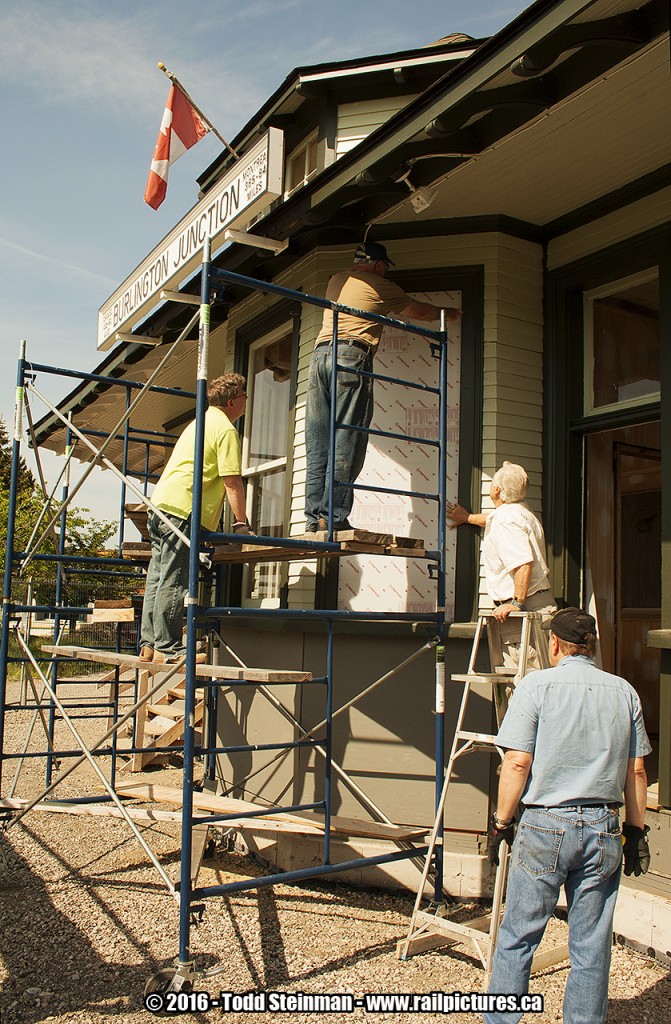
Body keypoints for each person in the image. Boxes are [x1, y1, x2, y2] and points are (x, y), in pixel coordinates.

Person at [484, 607, 651, 1024]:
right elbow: (636, 772)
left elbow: (517, 762)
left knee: (518, 936)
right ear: (591, 645)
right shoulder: (624, 691)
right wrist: (637, 831)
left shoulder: (535, 686)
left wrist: (502, 822)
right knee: (591, 945)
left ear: (555, 643)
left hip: (545, 824)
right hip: (604, 827)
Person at [304, 241, 462, 532]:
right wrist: (447, 312)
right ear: (378, 265)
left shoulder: (336, 280)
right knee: (347, 438)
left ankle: (314, 519)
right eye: (385, 267)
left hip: (319, 357)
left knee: (318, 443)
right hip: (350, 356)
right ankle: (333, 517)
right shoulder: (380, 285)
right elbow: (418, 311)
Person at [139, 373, 251, 664]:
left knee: (158, 576)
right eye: (244, 396)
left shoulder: (199, 422)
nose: (246, 401)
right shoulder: (225, 429)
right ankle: (168, 648)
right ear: (232, 402)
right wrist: (241, 523)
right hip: (184, 510)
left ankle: (149, 644)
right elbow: (232, 482)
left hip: (161, 504)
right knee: (175, 580)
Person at [448, 461, 555, 668]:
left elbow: (523, 563)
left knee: (527, 676)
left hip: (524, 609)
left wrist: (516, 603)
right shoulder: (519, 513)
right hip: (537, 604)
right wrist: (467, 518)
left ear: (496, 490)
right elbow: (491, 519)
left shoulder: (506, 520)